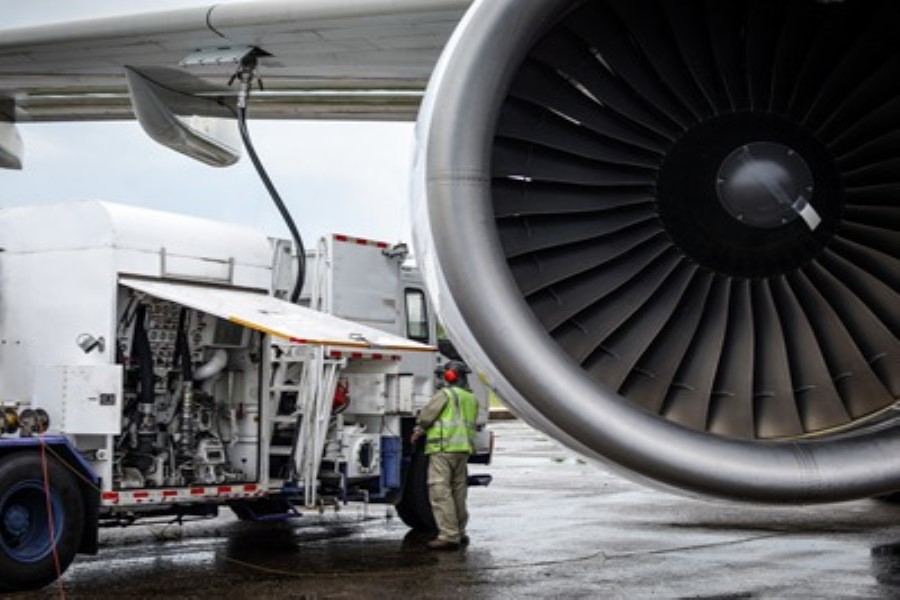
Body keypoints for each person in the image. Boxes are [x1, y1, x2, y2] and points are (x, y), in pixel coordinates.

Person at [410, 360, 479, 550]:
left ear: (451, 375)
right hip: (462, 450)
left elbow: (427, 415)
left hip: (443, 448)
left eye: (444, 375)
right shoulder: (470, 397)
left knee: (440, 491)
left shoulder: (446, 394)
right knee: (458, 493)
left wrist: (419, 429)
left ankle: (448, 535)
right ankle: (460, 531)